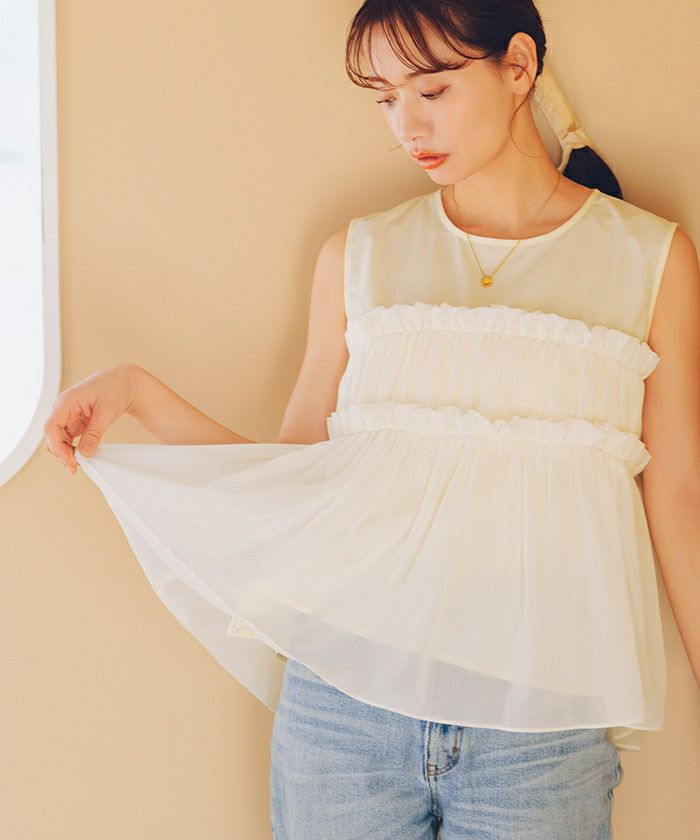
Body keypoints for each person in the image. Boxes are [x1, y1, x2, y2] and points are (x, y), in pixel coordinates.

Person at [43, 2, 700, 838]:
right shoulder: (359, 257)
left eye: (433, 89)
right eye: (386, 99)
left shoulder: (649, 258)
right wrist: (138, 392)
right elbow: (293, 489)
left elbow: (679, 499)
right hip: (343, 713)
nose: (407, 126)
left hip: (539, 727)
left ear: (519, 65)